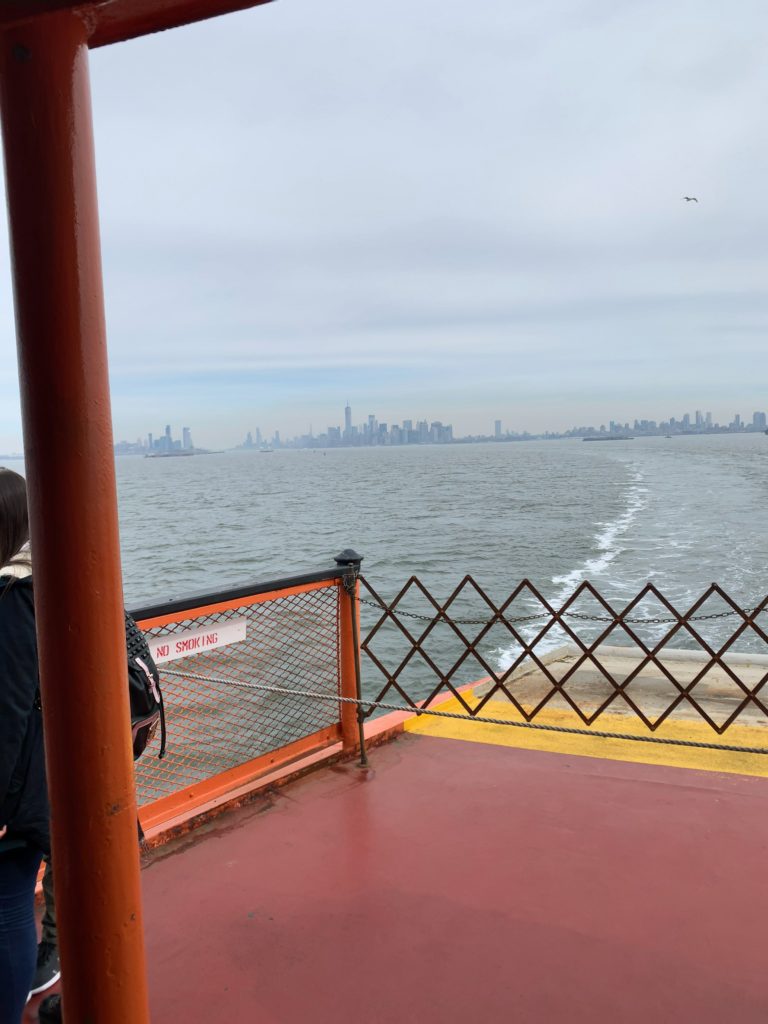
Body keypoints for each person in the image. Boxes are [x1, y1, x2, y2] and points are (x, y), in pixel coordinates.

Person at [0, 467, 49, 1024]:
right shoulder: (44, 581)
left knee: (9, 905)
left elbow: (8, 710)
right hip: (38, 777)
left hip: (15, 794)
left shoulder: (13, 597)